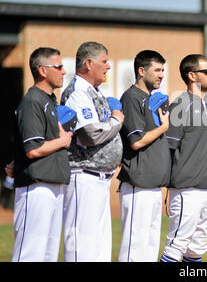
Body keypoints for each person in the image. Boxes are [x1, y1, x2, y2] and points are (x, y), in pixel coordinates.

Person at [60, 41, 124, 262]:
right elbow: (90, 135)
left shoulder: (92, 91)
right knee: (82, 247)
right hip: (83, 177)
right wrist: (117, 120)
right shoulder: (77, 92)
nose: (108, 66)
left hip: (99, 179)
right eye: (104, 61)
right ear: (88, 63)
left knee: (100, 250)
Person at [11, 47, 73, 261]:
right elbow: (33, 148)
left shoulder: (48, 100)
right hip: (36, 188)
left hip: (53, 185)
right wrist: (63, 141)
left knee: (47, 254)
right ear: (43, 71)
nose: (64, 71)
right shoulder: (33, 101)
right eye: (58, 66)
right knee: (29, 253)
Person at [160, 54, 207, 262]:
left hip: (206, 191)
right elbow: (168, 147)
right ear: (192, 76)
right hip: (187, 191)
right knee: (176, 246)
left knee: (196, 250)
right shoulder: (182, 104)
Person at [117, 50, 171, 262]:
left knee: (149, 247)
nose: (161, 75)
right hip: (138, 186)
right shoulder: (131, 97)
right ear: (141, 71)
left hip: (153, 186)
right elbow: (136, 141)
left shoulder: (150, 99)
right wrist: (164, 126)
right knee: (134, 247)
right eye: (157, 70)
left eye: (163, 70)